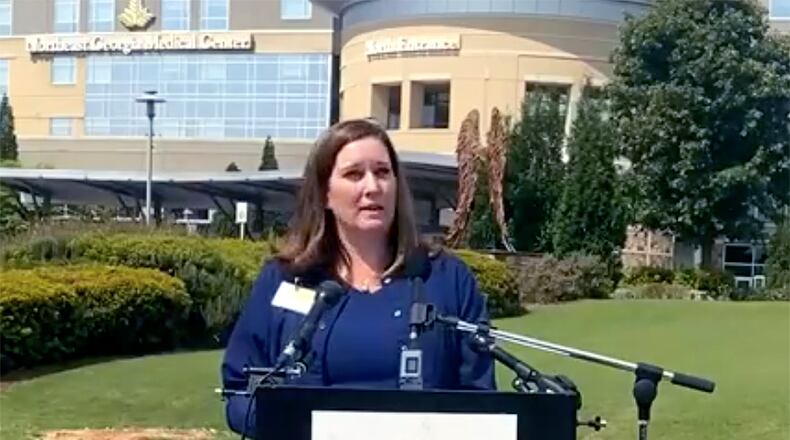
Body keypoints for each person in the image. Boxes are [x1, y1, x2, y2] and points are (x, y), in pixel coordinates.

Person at [220, 118, 496, 437]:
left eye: (382, 172)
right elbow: (239, 391)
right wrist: (293, 424)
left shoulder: (446, 279)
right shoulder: (283, 280)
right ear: (324, 192)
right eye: (354, 174)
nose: (372, 187)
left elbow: (481, 397)